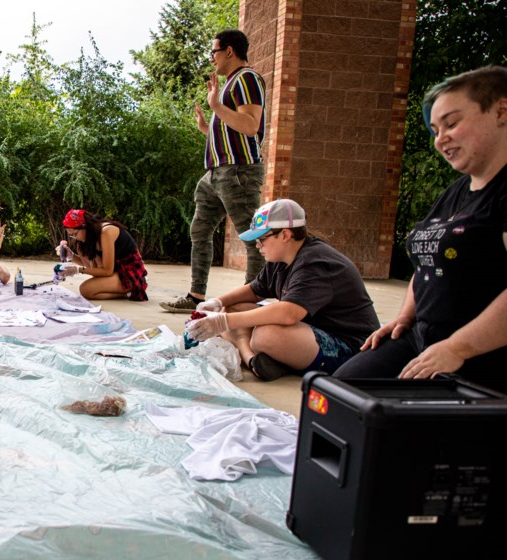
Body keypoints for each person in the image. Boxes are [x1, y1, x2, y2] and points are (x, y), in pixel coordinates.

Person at [335, 66, 507, 392]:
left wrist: (458, 348)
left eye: (452, 123)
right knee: (337, 393)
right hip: (420, 337)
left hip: (479, 353)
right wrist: (404, 317)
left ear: (501, 110)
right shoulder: (456, 192)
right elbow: (429, 260)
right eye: (435, 129)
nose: (441, 139)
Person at [185, 199, 380, 381]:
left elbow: (289, 313)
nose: (258, 246)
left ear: (285, 235)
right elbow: (254, 290)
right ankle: (252, 359)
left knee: (266, 334)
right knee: (234, 307)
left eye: (262, 239)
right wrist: (217, 303)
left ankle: (272, 357)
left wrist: (221, 322)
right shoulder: (280, 259)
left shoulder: (315, 262)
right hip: (310, 332)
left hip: (350, 347)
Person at [161, 29, 267, 313]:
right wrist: (207, 129)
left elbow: (250, 126)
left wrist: (217, 106)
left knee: (252, 237)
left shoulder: (248, 78)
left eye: (214, 52)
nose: (212, 59)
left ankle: (253, 301)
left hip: (238, 172)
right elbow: (233, 132)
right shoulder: (231, 82)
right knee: (200, 229)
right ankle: (196, 296)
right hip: (216, 173)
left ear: (229, 51)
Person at [59, 209, 148, 301]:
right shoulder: (88, 238)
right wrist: (71, 256)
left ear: (84, 226)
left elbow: (107, 270)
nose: (75, 237)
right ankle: (119, 290)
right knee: (81, 248)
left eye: (75, 234)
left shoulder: (106, 232)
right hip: (115, 272)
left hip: (130, 274)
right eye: (71, 235)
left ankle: (128, 293)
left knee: (86, 289)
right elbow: (89, 266)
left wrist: (78, 270)